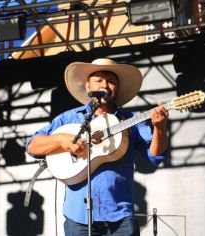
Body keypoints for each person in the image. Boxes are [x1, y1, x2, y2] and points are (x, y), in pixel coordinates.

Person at [27, 58, 169, 235]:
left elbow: (155, 156)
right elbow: (33, 146)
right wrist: (62, 140)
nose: (105, 85)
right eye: (99, 80)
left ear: (117, 88)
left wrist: (160, 127)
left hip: (121, 217)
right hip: (78, 216)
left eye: (111, 81)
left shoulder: (132, 120)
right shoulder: (70, 118)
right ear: (88, 86)